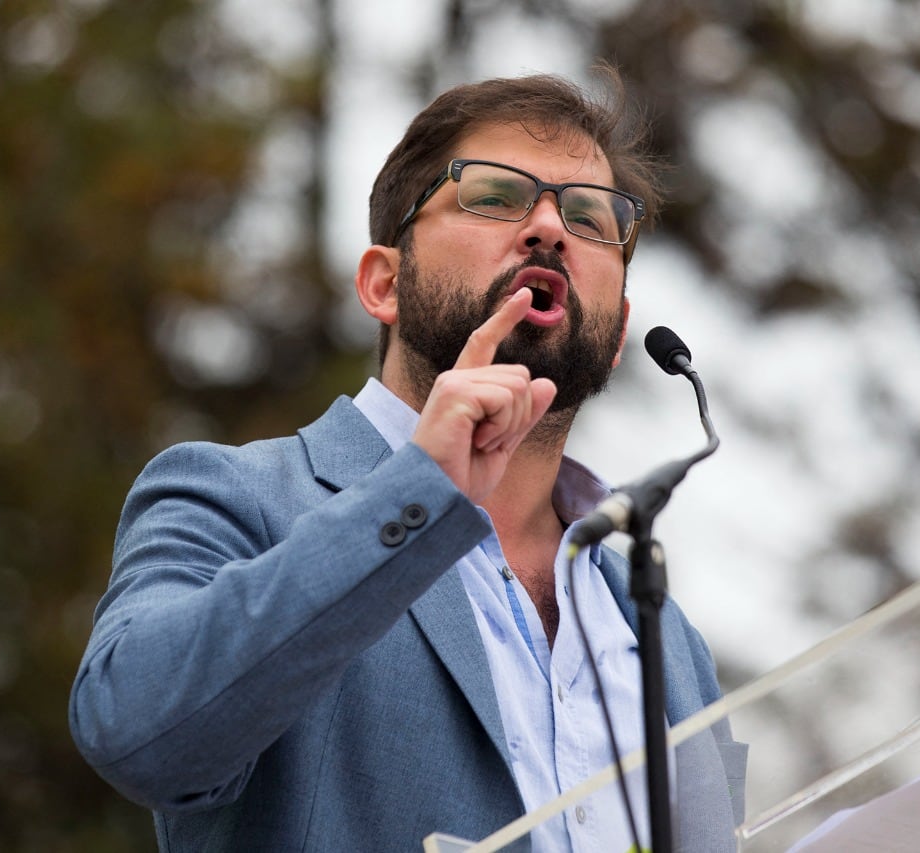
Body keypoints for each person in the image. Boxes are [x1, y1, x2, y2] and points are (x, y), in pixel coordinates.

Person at [69, 70, 746, 852]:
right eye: (495, 196)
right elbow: (134, 730)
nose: (549, 228)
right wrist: (417, 491)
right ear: (385, 284)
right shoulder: (232, 495)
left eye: (590, 216)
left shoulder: (663, 631)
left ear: (618, 331)